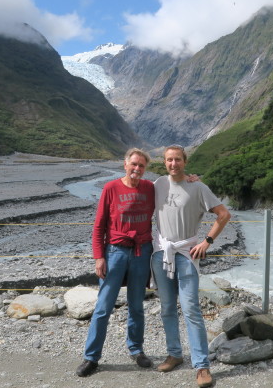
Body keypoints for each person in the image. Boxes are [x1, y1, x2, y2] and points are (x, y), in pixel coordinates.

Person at [151, 144, 231, 388]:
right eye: (169, 160)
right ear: (164, 163)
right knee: (166, 308)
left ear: (185, 162)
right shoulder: (157, 185)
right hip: (161, 253)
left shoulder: (198, 187)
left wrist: (207, 241)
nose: (173, 164)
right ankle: (174, 354)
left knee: (191, 311)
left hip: (186, 254)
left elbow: (224, 214)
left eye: (177, 160)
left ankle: (201, 366)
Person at [76, 147, 155, 377]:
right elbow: (99, 226)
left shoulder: (150, 188)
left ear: (145, 168)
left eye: (141, 165)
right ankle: (91, 357)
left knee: (137, 305)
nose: (137, 169)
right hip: (115, 252)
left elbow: (173, 187)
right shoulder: (111, 188)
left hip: (141, 251)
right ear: (125, 164)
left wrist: (191, 178)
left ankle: (136, 349)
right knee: (103, 307)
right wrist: (99, 256)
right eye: (134, 164)